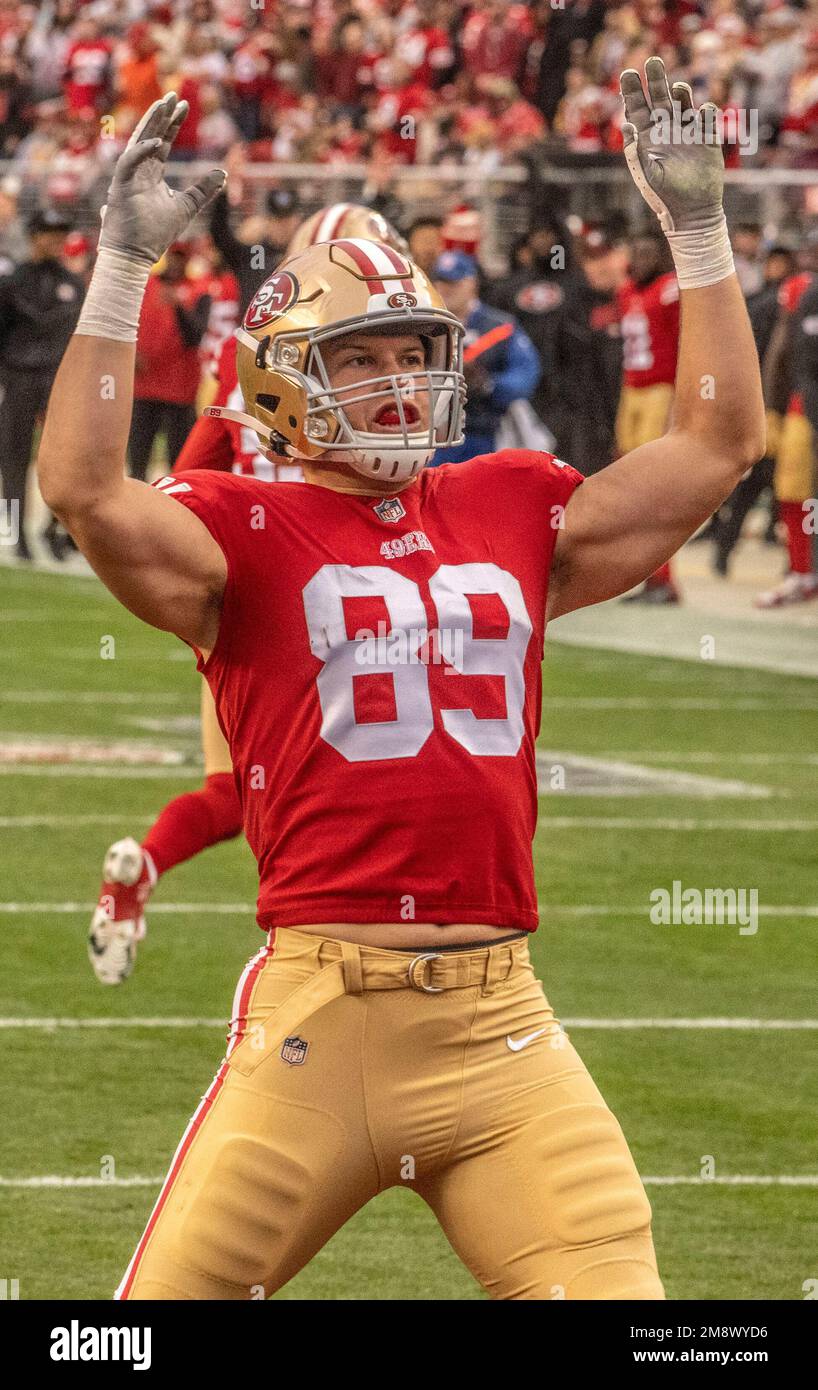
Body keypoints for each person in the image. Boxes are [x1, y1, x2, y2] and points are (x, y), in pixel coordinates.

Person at [39, 68, 764, 1301]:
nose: (395, 381)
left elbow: (715, 443)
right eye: (358, 357)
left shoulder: (507, 501)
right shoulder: (239, 519)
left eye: (411, 352)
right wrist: (120, 272)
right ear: (276, 377)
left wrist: (697, 237)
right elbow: (83, 488)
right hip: (318, 1020)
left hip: (501, 1026)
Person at [0, 207, 83, 562]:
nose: (56, 240)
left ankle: (55, 529)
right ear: (34, 236)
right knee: (14, 457)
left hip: (59, 378)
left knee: (64, 460)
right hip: (19, 376)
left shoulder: (74, 283)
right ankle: (16, 533)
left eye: (61, 233)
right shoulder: (12, 281)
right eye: (49, 232)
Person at [614, 228, 681, 603]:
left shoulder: (670, 289)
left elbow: (686, 342)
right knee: (633, 487)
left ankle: (664, 578)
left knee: (655, 488)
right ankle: (648, 576)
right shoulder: (625, 291)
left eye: (646, 254)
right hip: (632, 389)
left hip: (660, 389)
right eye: (634, 253)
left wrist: (678, 401)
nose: (639, 261)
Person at [431, 248, 540, 464]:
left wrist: (488, 384)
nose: (445, 290)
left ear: (472, 282)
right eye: (440, 282)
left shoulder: (499, 327)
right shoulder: (424, 326)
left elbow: (526, 374)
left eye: (454, 282)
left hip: (484, 432)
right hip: (434, 434)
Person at [129, 242, 212, 480]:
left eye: (181, 257)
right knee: (138, 461)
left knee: (179, 463)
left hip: (180, 390)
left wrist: (178, 306)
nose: (176, 263)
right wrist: (129, 352)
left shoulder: (199, 290)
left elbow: (195, 336)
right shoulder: (144, 285)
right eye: (172, 257)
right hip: (145, 386)